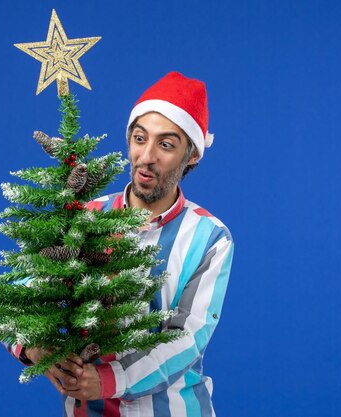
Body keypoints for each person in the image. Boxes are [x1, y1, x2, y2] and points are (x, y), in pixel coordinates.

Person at [13, 71, 234, 416]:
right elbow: (21, 295)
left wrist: (107, 380)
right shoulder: (84, 216)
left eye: (166, 144)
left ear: (191, 155)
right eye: (139, 138)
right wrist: (35, 349)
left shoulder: (209, 237)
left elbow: (187, 337)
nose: (146, 156)